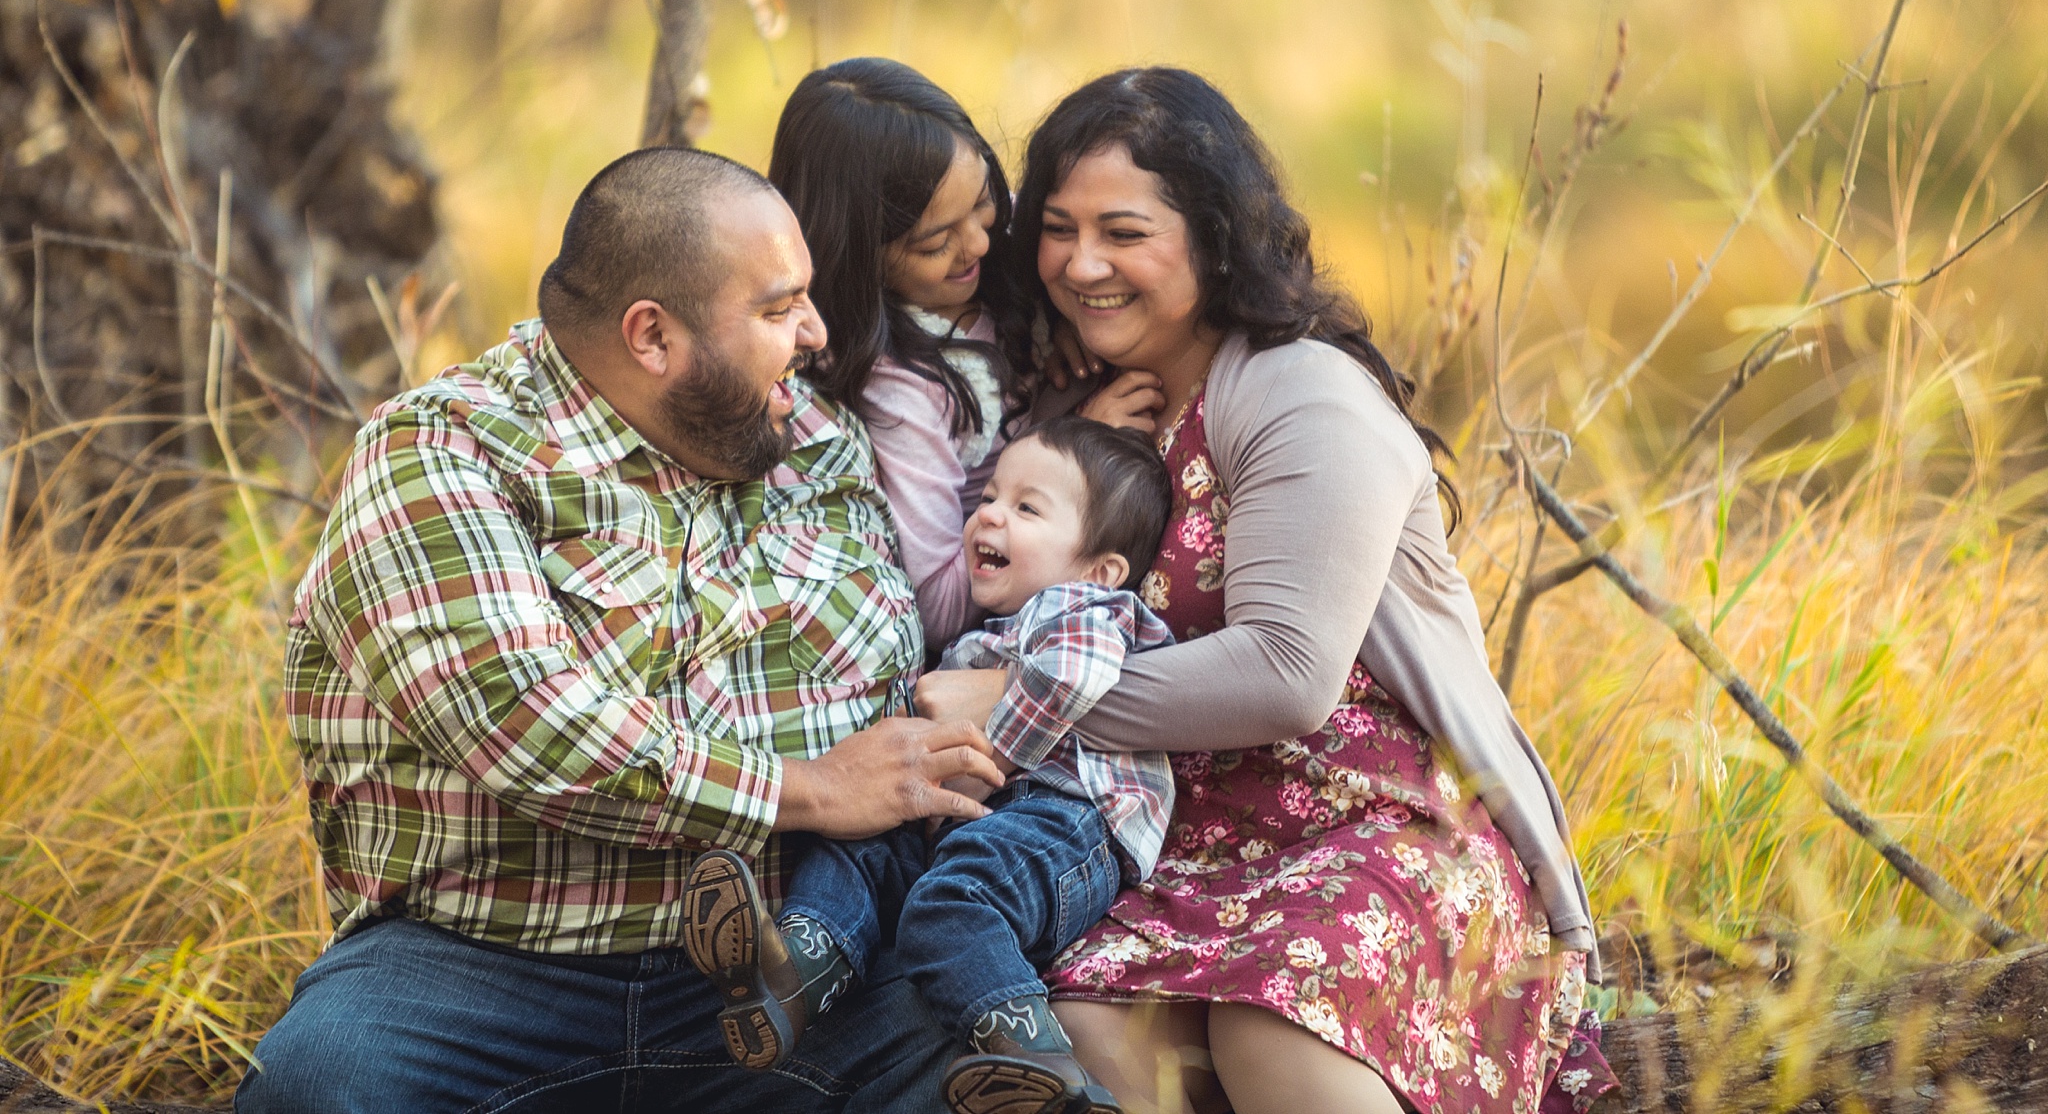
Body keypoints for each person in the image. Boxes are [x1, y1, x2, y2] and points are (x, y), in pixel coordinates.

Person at [237, 147, 1009, 1114]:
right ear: (652, 336)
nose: (815, 334)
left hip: (792, 959)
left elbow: (888, 669)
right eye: (778, 310)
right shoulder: (443, 455)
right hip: (481, 968)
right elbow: (527, 724)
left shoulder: (810, 439)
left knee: (992, 1071)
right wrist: (810, 788)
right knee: (314, 1087)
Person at [915, 68, 1619, 1114]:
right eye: (1057, 229)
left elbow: (1288, 674)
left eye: (1123, 230)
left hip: (1376, 824)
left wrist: (1016, 702)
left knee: (1271, 1019)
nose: (1080, 263)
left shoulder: (1300, 391)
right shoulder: (1093, 410)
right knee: (1088, 1028)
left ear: (1213, 235)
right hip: (1177, 847)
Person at [681, 416, 1175, 1114]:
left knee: (953, 903)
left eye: (1026, 508)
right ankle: (794, 971)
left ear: (1100, 567)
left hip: (1065, 822)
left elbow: (1072, 677)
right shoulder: (993, 630)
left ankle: (1042, 1065)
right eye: (989, 498)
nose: (991, 516)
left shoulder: (1085, 606)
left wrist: (994, 748)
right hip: (983, 823)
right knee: (859, 844)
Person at [766, 58, 1154, 649]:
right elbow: (939, 609)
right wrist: (1074, 444)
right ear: (857, 254)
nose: (978, 242)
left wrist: (1068, 309)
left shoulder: (1003, 252)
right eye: (934, 241)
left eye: (981, 201)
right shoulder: (904, 389)